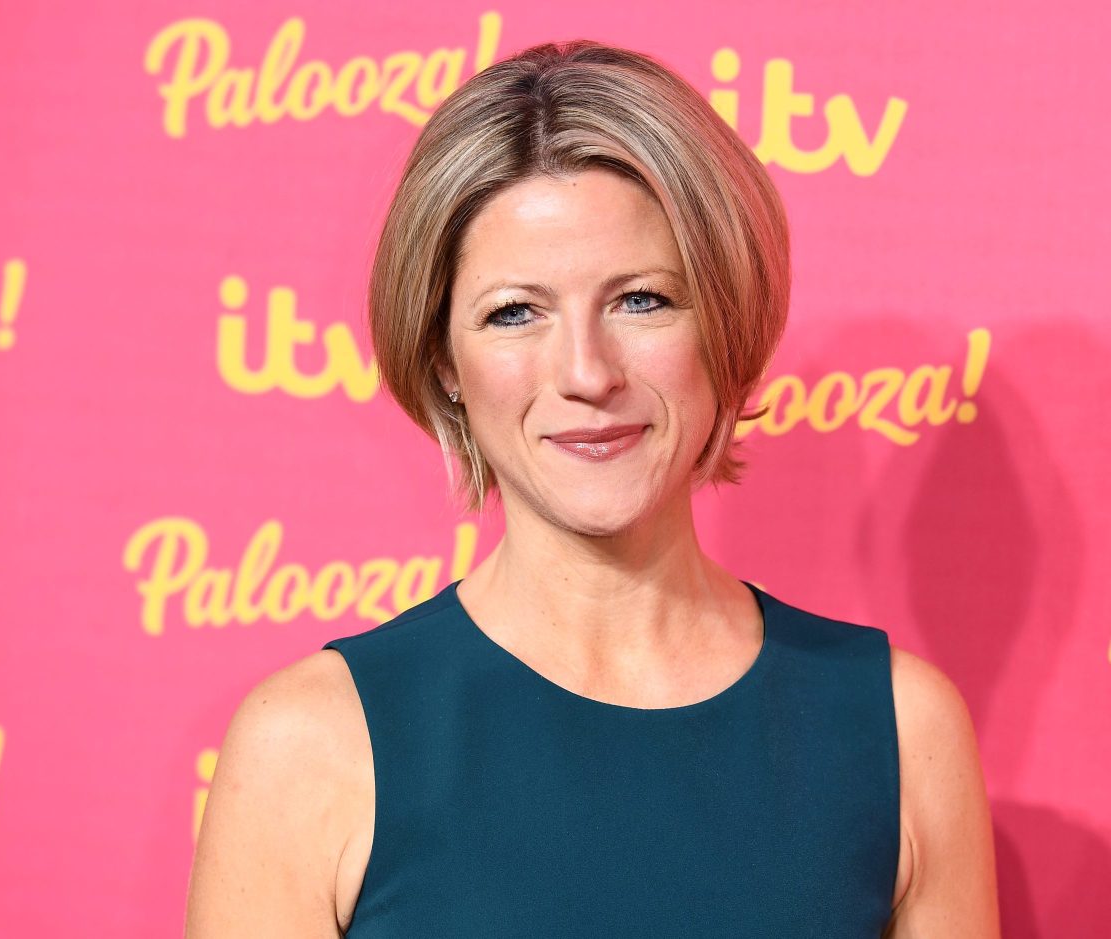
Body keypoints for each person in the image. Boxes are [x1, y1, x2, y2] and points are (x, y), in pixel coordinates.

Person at [185, 40, 999, 938]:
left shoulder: (900, 729)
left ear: (724, 323)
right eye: (514, 312)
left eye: (640, 300)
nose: (587, 372)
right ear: (444, 361)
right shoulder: (309, 745)